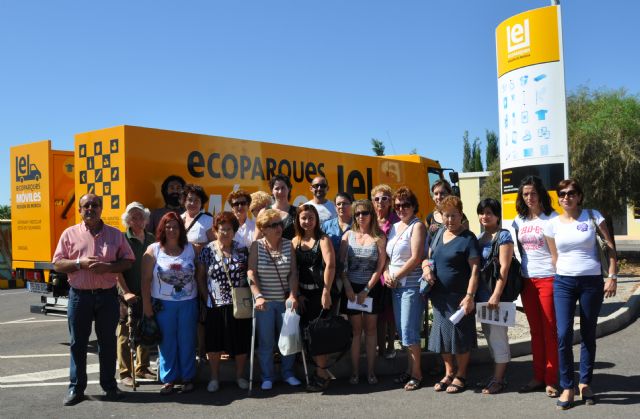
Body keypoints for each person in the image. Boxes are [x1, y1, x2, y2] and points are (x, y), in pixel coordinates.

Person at [52, 193, 135, 406]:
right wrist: (79, 263)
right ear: (80, 210)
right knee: (77, 343)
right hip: (79, 297)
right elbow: (57, 264)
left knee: (107, 343)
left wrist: (108, 267)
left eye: (95, 205)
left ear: (101, 208)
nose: (90, 208)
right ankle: (76, 388)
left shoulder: (116, 235)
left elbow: (128, 261)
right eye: (86, 205)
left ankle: (109, 386)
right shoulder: (69, 234)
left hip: (107, 296)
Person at [544, 179, 617, 409]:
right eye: (562, 193)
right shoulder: (552, 225)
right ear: (558, 198)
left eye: (571, 193)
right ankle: (567, 386)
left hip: (591, 282)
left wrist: (612, 276)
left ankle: (585, 382)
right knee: (564, 334)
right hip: (564, 283)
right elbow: (555, 256)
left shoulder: (593, 216)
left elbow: (610, 247)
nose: (566, 197)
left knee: (587, 332)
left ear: (580, 196)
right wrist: (563, 274)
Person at [423, 195, 480, 394]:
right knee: (443, 336)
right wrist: (426, 269)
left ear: (461, 215)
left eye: (454, 216)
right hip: (439, 297)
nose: (450, 220)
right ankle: (449, 372)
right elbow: (427, 259)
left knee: (461, 337)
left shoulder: (468, 238)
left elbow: (474, 270)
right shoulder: (438, 234)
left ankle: (461, 374)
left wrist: (470, 295)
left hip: (459, 297)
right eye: (446, 216)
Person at [141, 212, 199, 395]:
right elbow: (145, 280)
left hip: (188, 303)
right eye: (168, 227)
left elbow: (200, 273)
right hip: (163, 304)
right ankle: (169, 379)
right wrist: (146, 306)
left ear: (181, 229)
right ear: (162, 229)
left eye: (175, 226)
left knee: (187, 341)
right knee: (166, 342)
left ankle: (188, 377)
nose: (172, 230)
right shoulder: (153, 250)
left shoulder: (191, 249)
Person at [513, 176, 559, 397]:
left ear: (540, 193)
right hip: (527, 281)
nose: (529, 197)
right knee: (535, 332)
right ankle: (538, 377)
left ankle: (552, 379)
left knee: (550, 331)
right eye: (525, 194)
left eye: (532, 193)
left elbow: (559, 253)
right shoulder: (518, 221)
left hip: (549, 279)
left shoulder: (553, 218)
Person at [196, 212, 252, 393]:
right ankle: (214, 378)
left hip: (239, 305)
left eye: (229, 229)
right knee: (214, 344)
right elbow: (201, 277)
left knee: (240, 342)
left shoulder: (242, 249)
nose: (225, 233)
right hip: (215, 305)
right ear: (215, 230)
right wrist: (206, 298)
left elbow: (250, 275)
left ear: (234, 231)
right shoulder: (208, 250)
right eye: (222, 229)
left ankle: (240, 376)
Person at [247, 209, 301, 390]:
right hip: (265, 303)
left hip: (285, 301)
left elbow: (293, 272)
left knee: (288, 338)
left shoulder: (288, 245)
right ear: (263, 229)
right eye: (273, 225)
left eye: (280, 224)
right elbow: (251, 272)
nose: (279, 228)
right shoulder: (257, 246)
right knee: (266, 342)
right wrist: (258, 296)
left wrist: (293, 295)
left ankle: (288, 373)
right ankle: (267, 376)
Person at [339, 200, 387, 385]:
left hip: (371, 289)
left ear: (371, 215)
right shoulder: (347, 236)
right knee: (356, 331)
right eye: (357, 213)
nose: (361, 217)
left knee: (371, 330)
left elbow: (380, 267)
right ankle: (355, 372)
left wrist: (367, 289)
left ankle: (371, 372)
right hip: (351, 289)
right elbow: (342, 264)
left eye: (365, 213)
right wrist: (348, 287)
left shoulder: (379, 237)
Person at [385, 187, 427, 391]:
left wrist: (396, 276)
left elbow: (416, 257)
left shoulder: (417, 226)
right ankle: (410, 370)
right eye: (398, 205)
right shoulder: (394, 227)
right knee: (402, 332)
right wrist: (386, 274)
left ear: (413, 206)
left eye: (406, 204)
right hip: (395, 286)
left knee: (410, 331)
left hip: (410, 285)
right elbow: (388, 257)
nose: (401, 208)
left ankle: (417, 373)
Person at [292, 204, 336, 392]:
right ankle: (323, 372)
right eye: (304, 218)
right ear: (298, 220)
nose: (307, 221)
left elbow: (330, 266)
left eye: (311, 218)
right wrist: (297, 294)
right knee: (308, 337)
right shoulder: (294, 242)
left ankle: (321, 374)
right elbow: (293, 272)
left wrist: (326, 292)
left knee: (319, 336)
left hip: (321, 293)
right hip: (304, 295)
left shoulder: (323, 239)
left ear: (316, 219)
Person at [475, 198, 513, 394]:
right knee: (490, 336)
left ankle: (499, 379)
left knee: (498, 337)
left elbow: (504, 268)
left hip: (495, 297)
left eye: (489, 212)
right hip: (483, 297)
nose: (484, 216)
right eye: (481, 212)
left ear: (497, 215)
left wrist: (496, 294)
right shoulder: (482, 237)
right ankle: (496, 376)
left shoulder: (503, 236)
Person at [117, 202, 157, 388]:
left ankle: (142, 367)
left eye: (141, 216)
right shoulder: (122, 239)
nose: (138, 219)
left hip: (146, 292)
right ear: (128, 220)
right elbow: (116, 271)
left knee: (144, 328)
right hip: (127, 292)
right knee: (125, 332)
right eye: (134, 216)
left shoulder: (152, 239)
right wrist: (125, 292)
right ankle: (125, 372)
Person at [371, 184, 399, 360]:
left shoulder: (396, 221)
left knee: (390, 312)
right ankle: (380, 347)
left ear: (390, 201)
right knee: (378, 313)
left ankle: (390, 346)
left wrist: (387, 268)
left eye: (385, 198)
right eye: (377, 198)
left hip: (389, 271)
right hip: (372, 272)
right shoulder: (369, 219)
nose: (380, 202)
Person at [425, 179, 469, 245]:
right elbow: (426, 242)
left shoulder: (460, 217)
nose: (439, 197)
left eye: (442, 193)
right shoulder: (430, 218)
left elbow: (466, 240)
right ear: (433, 197)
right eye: (436, 194)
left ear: (449, 194)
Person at [256, 174, 298, 240]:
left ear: (289, 189)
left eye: (283, 188)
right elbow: (257, 240)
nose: (280, 191)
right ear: (272, 191)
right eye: (277, 188)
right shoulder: (263, 212)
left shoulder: (297, 212)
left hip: (290, 250)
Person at [181, 183, 215, 251]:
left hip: (199, 261)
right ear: (184, 201)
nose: (192, 203)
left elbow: (215, 245)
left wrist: (200, 247)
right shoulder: (178, 219)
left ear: (201, 203)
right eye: (190, 200)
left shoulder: (208, 220)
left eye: (196, 200)